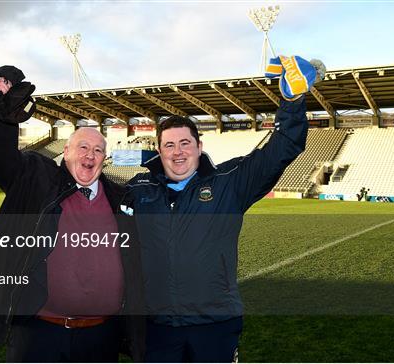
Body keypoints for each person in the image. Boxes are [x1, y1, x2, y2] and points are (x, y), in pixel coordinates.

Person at [0, 66, 144, 362]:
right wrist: (0, 117)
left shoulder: (121, 198)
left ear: (105, 159)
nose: (89, 155)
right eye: (82, 147)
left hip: (102, 337)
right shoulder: (38, 180)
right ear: (65, 152)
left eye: (98, 150)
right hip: (39, 334)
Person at [127, 94, 308, 362]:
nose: (178, 152)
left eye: (185, 143)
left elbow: (281, 149)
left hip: (215, 324)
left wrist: (291, 102)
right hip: (158, 329)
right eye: (170, 145)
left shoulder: (228, 182)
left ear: (199, 146)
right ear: (159, 150)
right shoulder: (138, 190)